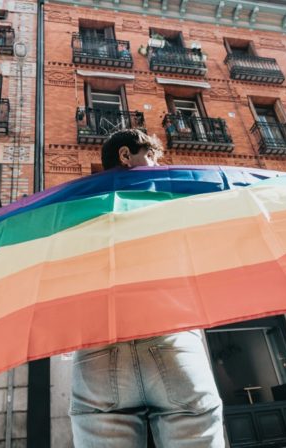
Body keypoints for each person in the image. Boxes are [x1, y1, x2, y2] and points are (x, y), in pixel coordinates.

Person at [69, 129, 225, 447]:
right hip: (170, 337)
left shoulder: (74, 207)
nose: (156, 164)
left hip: (97, 349)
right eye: (150, 156)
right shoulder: (167, 200)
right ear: (126, 156)